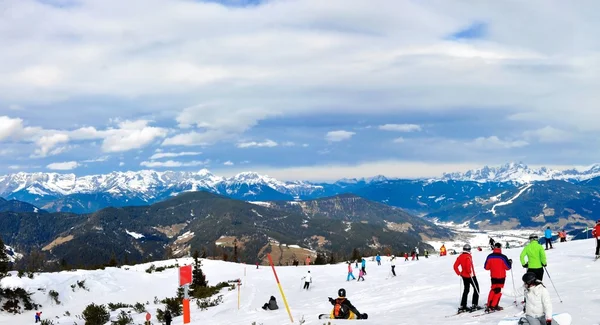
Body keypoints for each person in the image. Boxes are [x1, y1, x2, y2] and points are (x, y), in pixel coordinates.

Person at [484, 242, 512, 312]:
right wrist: (510, 263)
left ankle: (489, 304)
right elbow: (508, 267)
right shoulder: (503, 257)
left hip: (493, 276)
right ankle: (494, 305)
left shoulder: (489, 256)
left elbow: (486, 267)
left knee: (493, 289)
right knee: (499, 290)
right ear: (500, 248)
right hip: (501, 276)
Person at [453, 244, 481, 312]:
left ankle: (463, 305)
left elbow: (455, 266)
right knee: (476, 289)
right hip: (470, 275)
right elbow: (468, 266)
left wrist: (459, 273)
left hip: (464, 276)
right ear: (469, 249)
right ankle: (474, 304)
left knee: (466, 290)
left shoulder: (460, 256)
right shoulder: (468, 256)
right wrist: (469, 272)